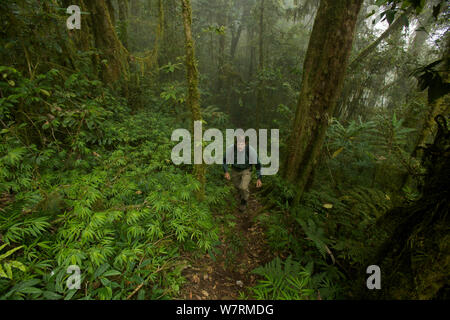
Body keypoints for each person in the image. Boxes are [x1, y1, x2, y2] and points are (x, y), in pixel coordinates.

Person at [222, 135, 262, 212]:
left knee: (243, 187)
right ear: (235, 144)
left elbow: (258, 165)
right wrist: (226, 171)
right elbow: (224, 161)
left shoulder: (250, 150)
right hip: (235, 170)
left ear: (246, 143)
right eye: (238, 144)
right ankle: (241, 194)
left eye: (242, 144)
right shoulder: (231, 149)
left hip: (246, 170)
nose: (240, 146)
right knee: (237, 186)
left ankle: (244, 201)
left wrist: (259, 178)